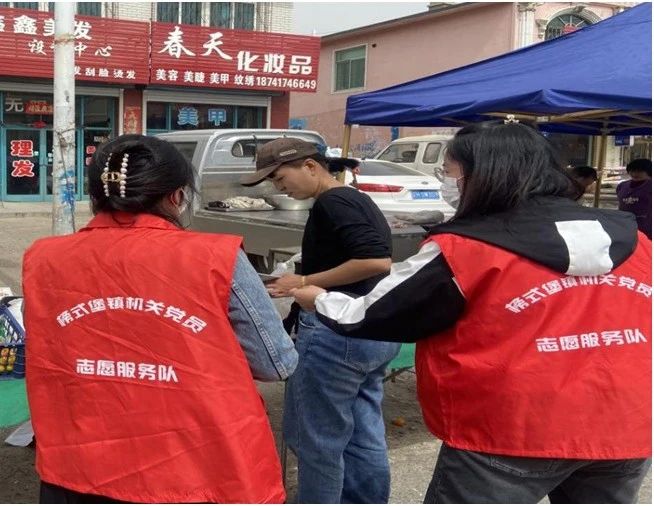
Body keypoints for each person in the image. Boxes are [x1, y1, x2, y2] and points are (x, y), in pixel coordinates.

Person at [293, 122, 652, 504]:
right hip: (627, 419)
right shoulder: (636, 240)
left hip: (511, 429)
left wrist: (319, 298)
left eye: (448, 171)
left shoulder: (466, 247)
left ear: (482, 174)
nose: (446, 181)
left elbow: (376, 312)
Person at [23, 134, 298, 504]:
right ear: (176, 197)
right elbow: (276, 364)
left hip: (79, 471)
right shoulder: (216, 257)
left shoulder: (43, 258)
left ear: (95, 197)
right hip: (201, 473)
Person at [241, 138, 401, 503]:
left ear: (310, 166)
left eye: (280, 178)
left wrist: (303, 282)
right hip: (372, 327)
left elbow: (375, 261)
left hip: (336, 333)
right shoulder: (354, 198)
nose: (279, 188)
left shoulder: (334, 201)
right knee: (363, 435)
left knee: (316, 441)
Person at [617, 158, 651, 239]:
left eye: (639, 171)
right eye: (632, 171)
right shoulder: (622, 186)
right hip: (625, 225)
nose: (635, 174)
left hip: (647, 228)